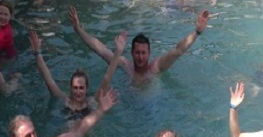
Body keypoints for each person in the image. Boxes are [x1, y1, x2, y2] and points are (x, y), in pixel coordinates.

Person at [68, 5, 209, 83]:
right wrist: (78, 30)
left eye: (143, 53)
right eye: (137, 53)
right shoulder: (125, 65)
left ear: (149, 53)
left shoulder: (156, 67)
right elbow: (100, 49)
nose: (140, 57)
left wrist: (197, 32)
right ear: (131, 53)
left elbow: (178, 50)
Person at [30, 30, 121, 120]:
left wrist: (118, 51)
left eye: (81, 88)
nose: (78, 92)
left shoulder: (91, 102)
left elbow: (107, 77)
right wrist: (37, 53)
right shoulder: (65, 101)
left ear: (86, 88)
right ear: (71, 87)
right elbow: (48, 80)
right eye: (75, 87)